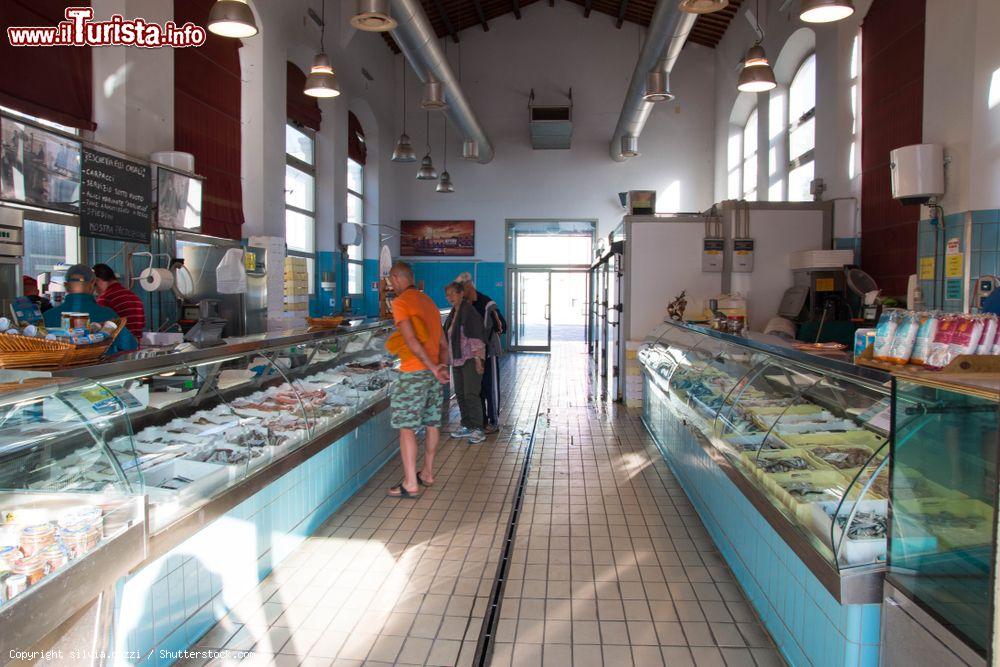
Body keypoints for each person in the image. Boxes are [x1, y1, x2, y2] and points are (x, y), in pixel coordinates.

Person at [385, 262, 449, 499]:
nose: (391, 285)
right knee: (432, 422)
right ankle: (428, 473)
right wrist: (442, 368)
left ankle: (411, 482)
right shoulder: (429, 302)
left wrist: (431, 367)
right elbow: (443, 343)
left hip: (414, 372)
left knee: (407, 427)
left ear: (396, 278)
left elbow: (411, 341)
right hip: (433, 374)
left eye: (391, 281)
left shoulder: (401, 303)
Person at [44, 264, 139, 354]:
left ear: (66, 286)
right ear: (93, 284)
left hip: (59, 370)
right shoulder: (108, 315)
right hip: (100, 370)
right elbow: (131, 346)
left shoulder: (46, 317)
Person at [456, 272, 506, 433]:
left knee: (489, 387)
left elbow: (501, 326)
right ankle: (481, 421)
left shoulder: (486, 303)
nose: (459, 294)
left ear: (469, 286)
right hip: (470, 354)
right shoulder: (462, 305)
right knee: (476, 389)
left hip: (488, 352)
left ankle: (493, 421)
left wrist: (483, 337)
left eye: (461, 289)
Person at [443, 282, 488, 444]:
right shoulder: (454, 312)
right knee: (461, 394)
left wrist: (478, 360)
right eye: (447, 295)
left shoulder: (469, 311)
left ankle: (478, 429)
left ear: (461, 293)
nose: (450, 298)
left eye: (452, 294)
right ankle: (467, 425)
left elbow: (476, 336)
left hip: (470, 358)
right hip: (457, 359)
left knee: (471, 393)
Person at [93, 263, 146, 340]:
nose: (94, 290)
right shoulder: (135, 298)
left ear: (97, 280)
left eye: (93, 285)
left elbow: (100, 331)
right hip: (136, 348)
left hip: (118, 349)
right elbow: (141, 326)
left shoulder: (105, 298)